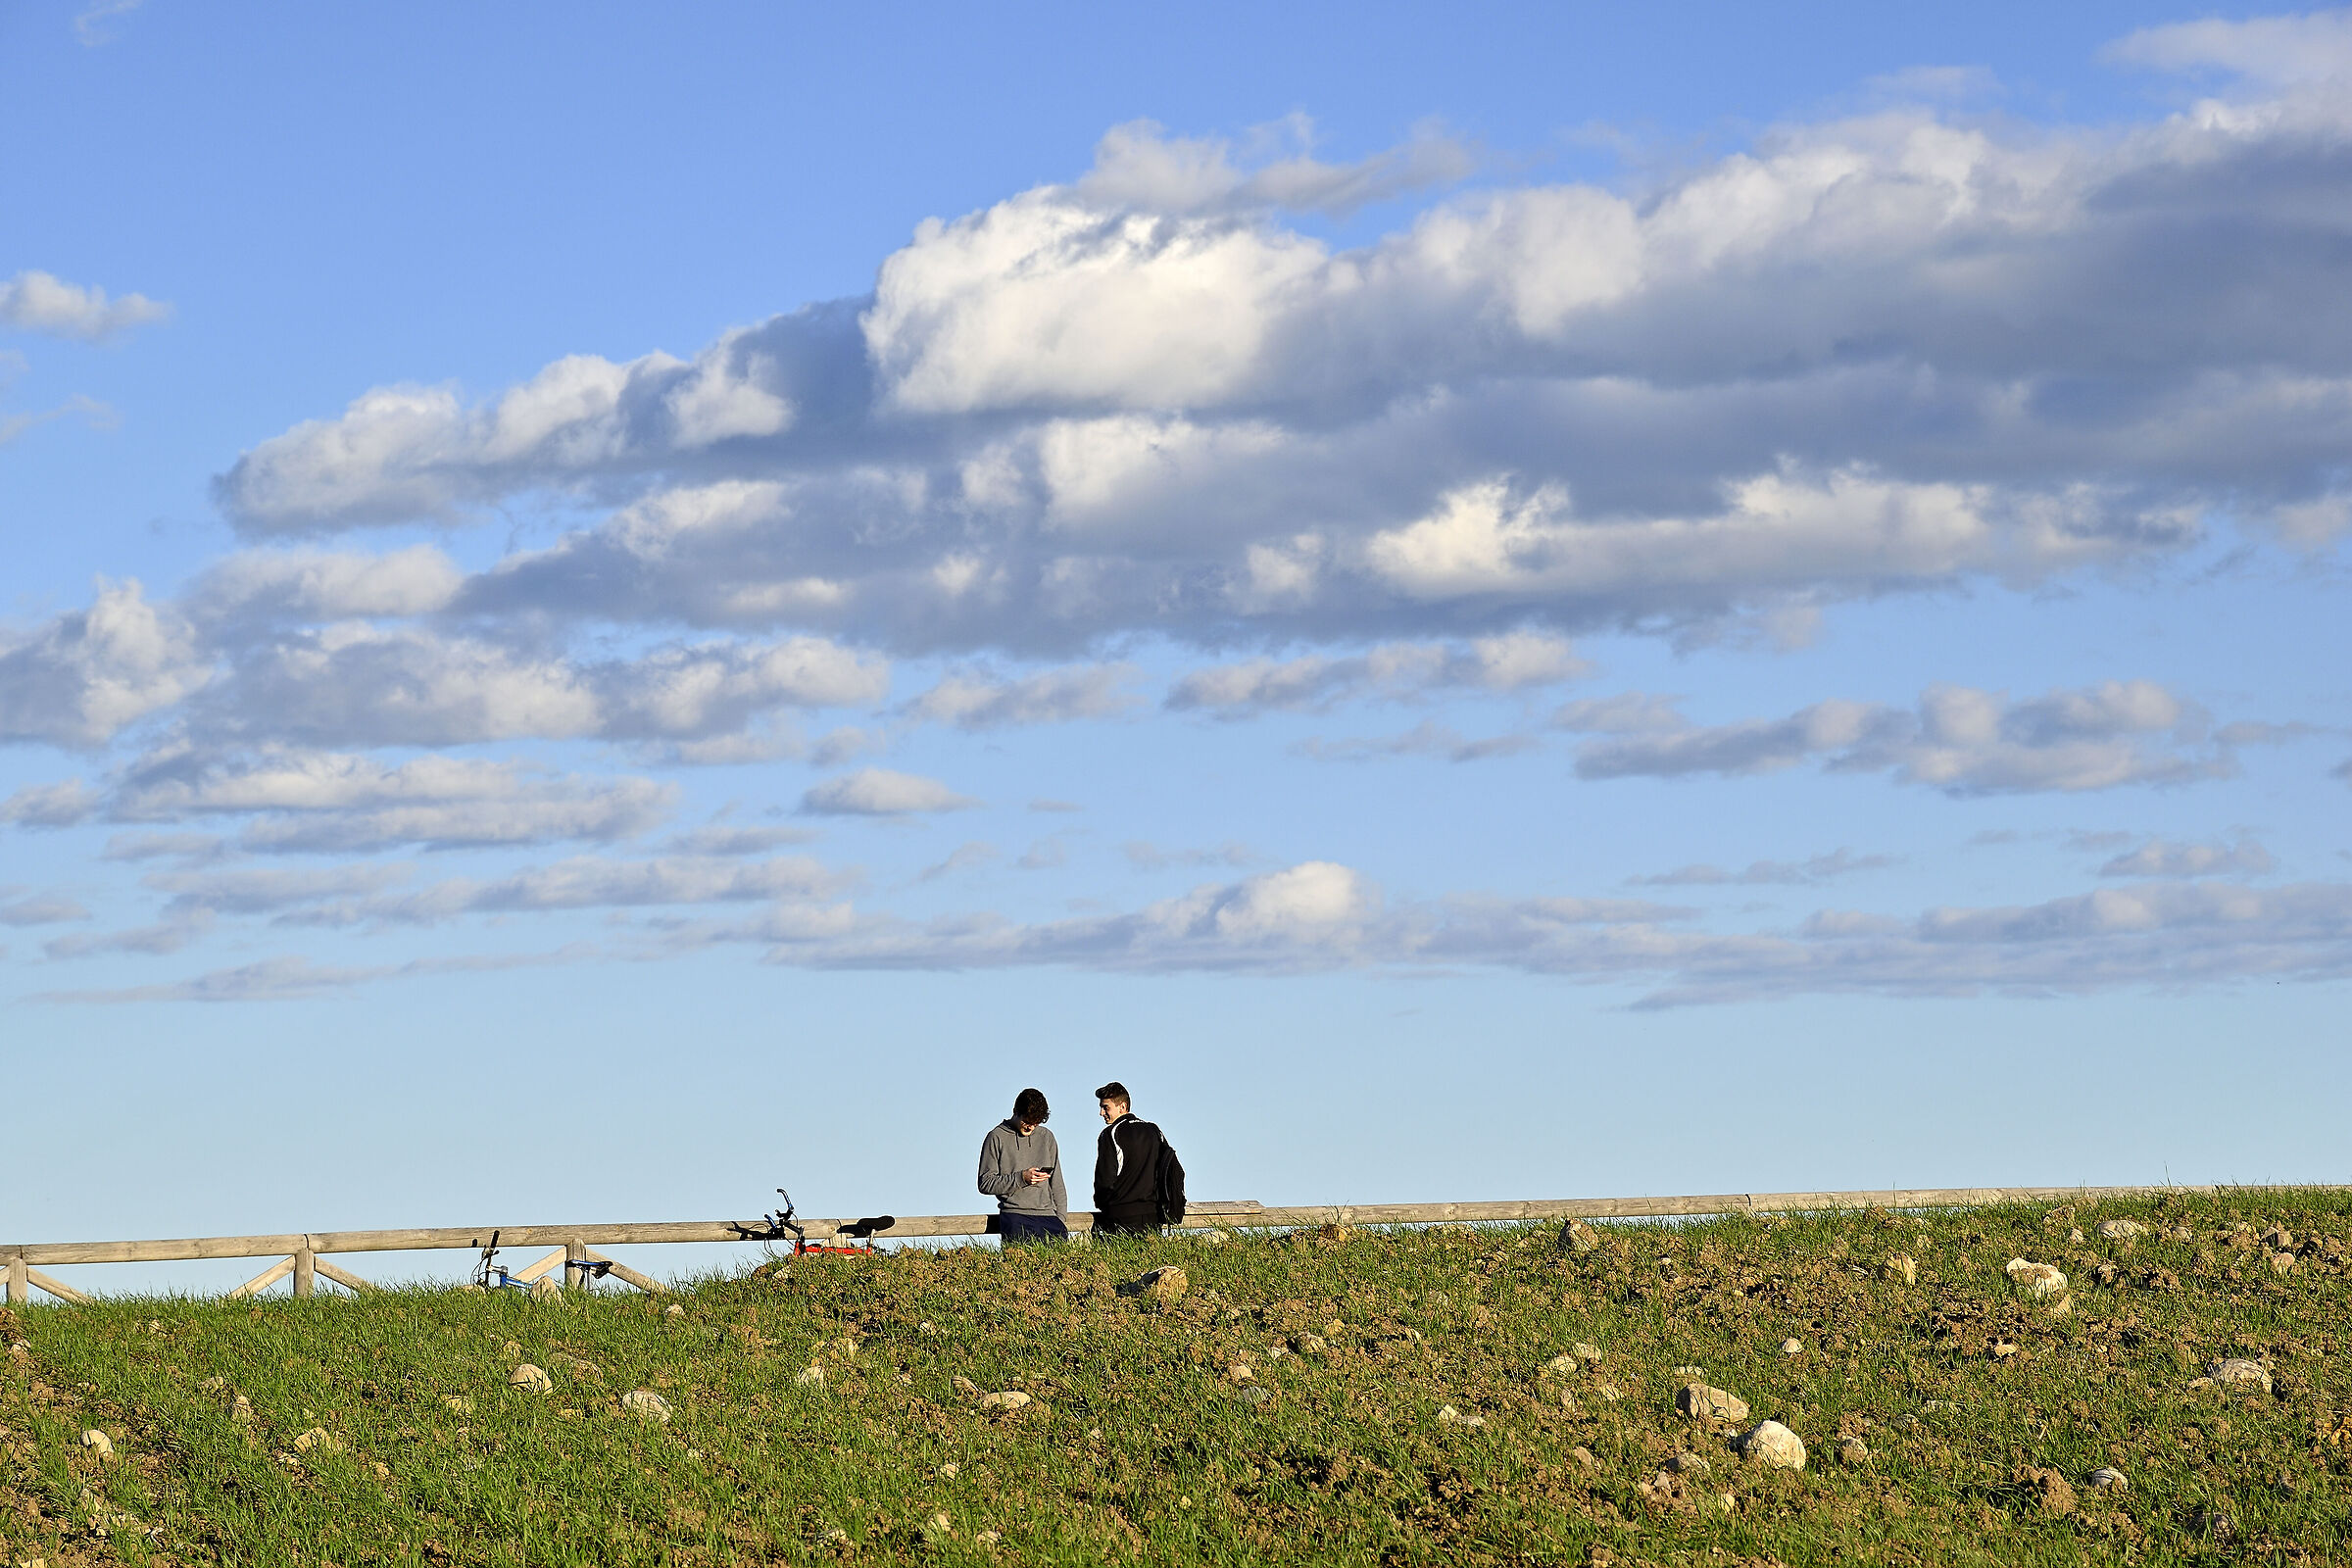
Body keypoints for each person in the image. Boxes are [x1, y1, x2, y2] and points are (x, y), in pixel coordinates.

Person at [1091, 1081, 1185, 1237]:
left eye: (1105, 1107)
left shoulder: (1110, 1134)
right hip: (1153, 1217)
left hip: (1119, 1217)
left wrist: (1103, 1204)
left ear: (1122, 1106)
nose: (1101, 1112)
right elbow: (1173, 1170)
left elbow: (1104, 1179)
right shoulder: (1153, 1130)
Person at [977, 1088, 1068, 1245]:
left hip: (1050, 1220)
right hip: (1015, 1218)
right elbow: (985, 1183)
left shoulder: (1046, 1137)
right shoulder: (996, 1137)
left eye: (1036, 1123)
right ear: (1016, 1111)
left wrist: (1060, 1221)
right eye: (1027, 1121)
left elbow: (1057, 1183)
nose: (1031, 1127)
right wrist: (1021, 1178)